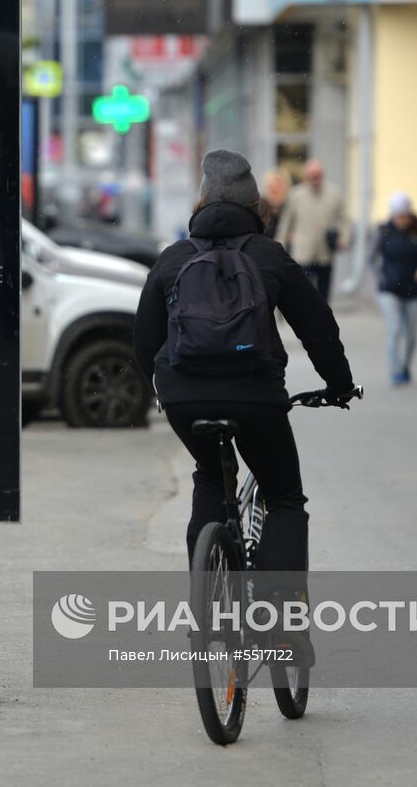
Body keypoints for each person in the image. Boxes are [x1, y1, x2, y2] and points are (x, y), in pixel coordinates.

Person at [134, 150, 355, 585]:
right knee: (284, 497)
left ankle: (204, 590)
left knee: (212, 480)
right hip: (256, 396)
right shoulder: (268, 256)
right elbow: (318, 327)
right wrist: (338, 384)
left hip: (185, 397)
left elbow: (144, 340)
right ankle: (282, 622)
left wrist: (161, 392)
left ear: (201, 204)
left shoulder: (174, 257)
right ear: (256, 206)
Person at [370, 192, 417, 386]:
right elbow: (371, 260)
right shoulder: (384, 231)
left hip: (413, 288)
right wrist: (381, 277)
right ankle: (395, 371)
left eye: (405, 216)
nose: (402, 220)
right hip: (389, 288)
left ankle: (405, 366)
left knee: (411, 334)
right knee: (394, 329)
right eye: (398, 216)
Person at [278, 159, 350, 300]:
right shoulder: (295, 195)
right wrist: (280, 245)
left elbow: (344, 220)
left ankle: (323, 320)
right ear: (305, 176)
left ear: (323, 175)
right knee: (304, 292)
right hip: (303, 252)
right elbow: (285, 222)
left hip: (325, 252)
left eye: (317, 175)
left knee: (324, 294)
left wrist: (344, 239)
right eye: (311, 175)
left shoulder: (335, 194)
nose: (314, 179)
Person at [259, 170, 290, 240]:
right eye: (272, 187)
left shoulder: (289, 208)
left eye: (279, 186)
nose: (276, 188)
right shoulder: (260, 208)